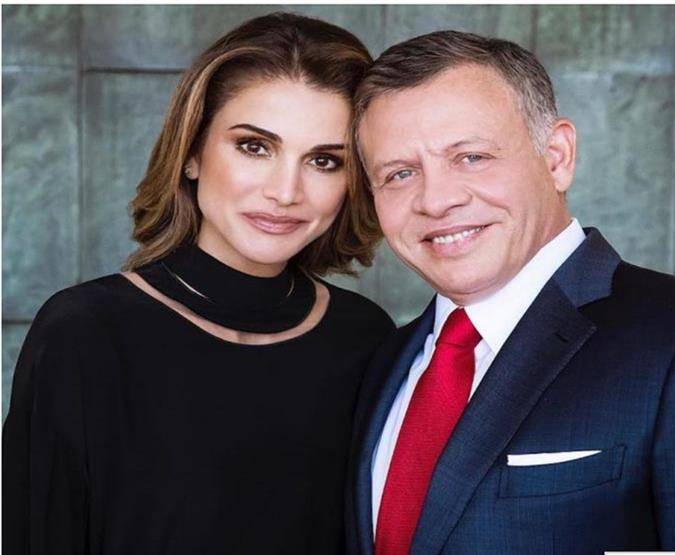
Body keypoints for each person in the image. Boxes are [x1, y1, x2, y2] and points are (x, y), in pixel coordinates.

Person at [3, 12, 395, 554]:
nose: (286, 191)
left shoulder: (365, 337)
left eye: (324, 161)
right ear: (192, 151)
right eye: (254, 147)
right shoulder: (85, 333)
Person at [346, 30, 675, 555]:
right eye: (399, 173)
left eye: (471, 157)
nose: (435, 201)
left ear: (556, 157)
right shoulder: (384, 361)